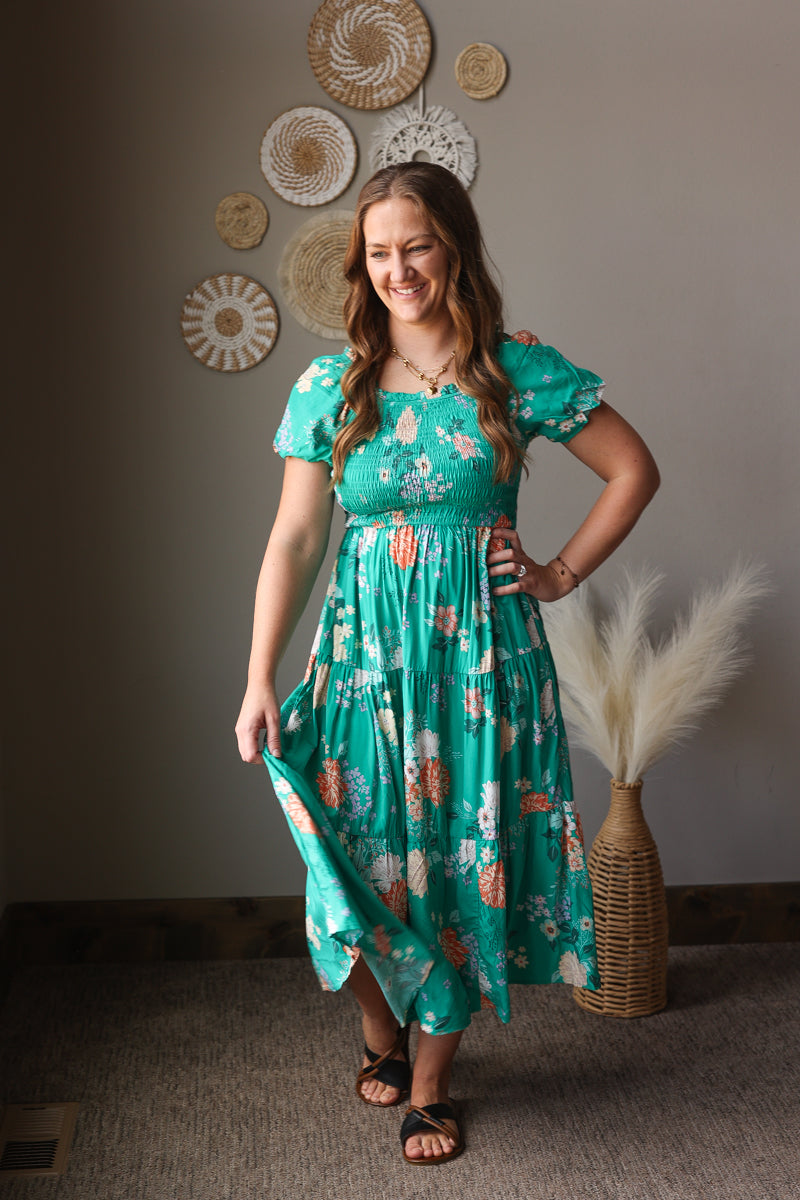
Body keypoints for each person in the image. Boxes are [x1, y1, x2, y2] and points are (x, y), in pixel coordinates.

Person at [235, 162, 659, 1165]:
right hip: (362, 665)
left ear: (453, 247)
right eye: (377, 252)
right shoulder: (327, 383)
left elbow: (632, 469)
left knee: (465, 867)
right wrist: (258, 674)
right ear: (359, 262)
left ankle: (430, 1082)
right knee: (354, 849)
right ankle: (382, 1023)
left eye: (415, 246)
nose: (397, 269)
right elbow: (294, 539)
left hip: (481, 669)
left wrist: (554, 573)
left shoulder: (512, 370)